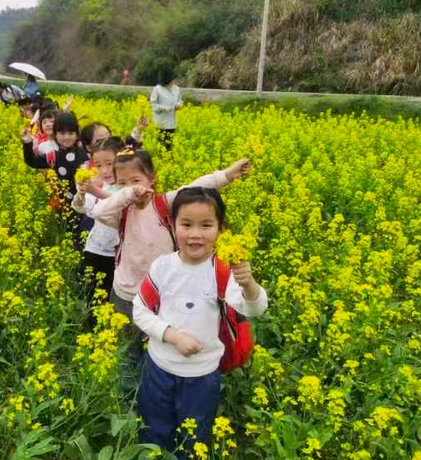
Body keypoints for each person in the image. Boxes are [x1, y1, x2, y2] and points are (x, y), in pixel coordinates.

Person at [133, 187, 268, 454]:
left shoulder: (223, 272)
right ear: (173, 226)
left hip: (203, 374)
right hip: (159, 367)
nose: (195, 234)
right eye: (186, 224)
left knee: (195, 435)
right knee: (153, 428)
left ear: (220, 229)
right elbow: (140, 310)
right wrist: (172, 335)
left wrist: (248, 283)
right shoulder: (163, 266)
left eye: (206, 225)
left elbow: (255, 309)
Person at [86, 149, 251, 319]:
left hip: (163, 290)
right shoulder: (121, 210)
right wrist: (126, 195)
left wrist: (228, 174)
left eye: (136, 181)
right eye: (122, 183)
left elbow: (195, 186)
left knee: (161, 339)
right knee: (126, 343)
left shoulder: (164, 203)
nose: (131, 187)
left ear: (151, 179)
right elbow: (98, 212)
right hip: (127, 291)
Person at [21, 111, 89, 245]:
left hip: (86, 204)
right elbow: (32, 161)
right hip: (63, 205)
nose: (67, 137)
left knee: (84, 235)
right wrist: (27, 143)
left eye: (71, 133)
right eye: (62, 133)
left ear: (77, 134)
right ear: (56, 135)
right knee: (67, 235)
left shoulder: (85, 154)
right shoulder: (53, 156)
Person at [72, 136, 125, 306]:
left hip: (119, 253)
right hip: (95, 248)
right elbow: (81, 207)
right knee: (92, 294)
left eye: (109, 164)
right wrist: (81, 194)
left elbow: (120, 201)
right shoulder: (100, 185)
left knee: (114, 296)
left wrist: (95, 190)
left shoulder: (128, 186)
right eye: (99, 165)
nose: (104, 171)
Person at [150, 68, 182, 151]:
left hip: (172, 123)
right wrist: (167, 108)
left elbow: (179, 100)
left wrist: (179, 105)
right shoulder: (157, 89)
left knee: (169, 147)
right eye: (171, 80)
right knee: (160, 147)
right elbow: (153, 106)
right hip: (160, 124)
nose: (173, 82)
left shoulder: (176, 89)